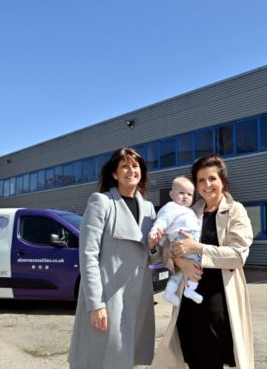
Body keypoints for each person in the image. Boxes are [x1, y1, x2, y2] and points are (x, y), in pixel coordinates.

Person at [152, 154, 255, 369]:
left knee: (213, 359)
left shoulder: (236, 211)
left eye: (212, 179)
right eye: (201, 180)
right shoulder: (189, 212)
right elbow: (167, 250)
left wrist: (197, 248)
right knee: (193, 360)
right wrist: (181, 263)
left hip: (218, 303)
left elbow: (237, 256)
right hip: (189, 303)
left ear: (222, 181)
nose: (207, 185)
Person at [68, 147, 160, 369]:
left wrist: (156, 247)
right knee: (103, 359)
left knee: (129, 358)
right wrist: (95, 304)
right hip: (109, 297)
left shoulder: (148, 208)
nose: (131, 170)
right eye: (125, 166)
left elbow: (152, 256)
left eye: (135, 166)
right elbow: (88, 256)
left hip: (139, 298)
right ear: (115, 174)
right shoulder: (102, 202)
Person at [149, 176, 203, 306]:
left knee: (181, 271)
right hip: (181, 241)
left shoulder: (189, 210)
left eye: (189, 194)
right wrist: (155, 231)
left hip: (189, 242)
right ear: (172, 194)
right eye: (181, 193)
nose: (185, 197)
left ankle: (169, 292)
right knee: (197, 266)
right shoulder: (171, 207)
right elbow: (162, 220)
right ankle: (190, 289)